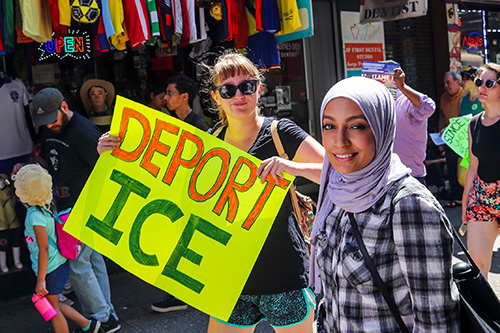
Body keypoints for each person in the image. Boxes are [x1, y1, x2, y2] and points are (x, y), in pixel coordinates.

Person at [98, 52, 325, 332]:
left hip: (283, 275)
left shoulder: (282, 133)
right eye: (228, 90)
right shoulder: (212, 142)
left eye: (247, 86)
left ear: (259, 89)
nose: (239, 95)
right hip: (228, 281)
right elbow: (173, 189)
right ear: (216, 97)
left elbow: (335, 171)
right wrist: (115, 153)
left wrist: (290, 166)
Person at [310, 77, 460, 332]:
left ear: (381, 127)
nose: (339, 141)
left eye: (356, 126)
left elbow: (436, 323)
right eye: (329, 126)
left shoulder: (408, 206)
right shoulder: (337, 190)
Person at [13, 88, 121, 333]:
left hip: (82, 206)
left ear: (63, 107)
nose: (49, 125)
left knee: (78, 263)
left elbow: (106, 172)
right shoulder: (50, 129)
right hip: (65, 207)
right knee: (91, 261)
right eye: (43, 122)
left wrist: (103, 153)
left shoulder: (83, 132)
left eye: (52, 119)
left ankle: (102, 317)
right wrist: (29, 168)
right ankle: (107, 315)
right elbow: (49, 160)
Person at [14, 164, 103, 333]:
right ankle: (89, 325)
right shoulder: (46, 208)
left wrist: (41, 280)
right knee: (52, 305)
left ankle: (89, 326)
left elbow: (44, 249)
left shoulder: (35, 216)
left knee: (53, 312)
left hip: (50, 269)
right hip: (56, 265)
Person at [462, 63, 500, 280]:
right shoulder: (474, 124)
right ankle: (485, 314)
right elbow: (473, 165)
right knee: (475, 264)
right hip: (481, 197)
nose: (482, 88)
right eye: (479, 83)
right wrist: (466, 200)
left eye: (489, 83)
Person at [393, 67, 436, 185]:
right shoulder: (376, 104)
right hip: (382, 178)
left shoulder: (406, 100)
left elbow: (428, 107)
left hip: (410, 176)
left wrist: (402, 86)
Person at [440, 71, 466, 208]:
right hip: (448, 139)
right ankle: (457, 197)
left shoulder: (465, 97)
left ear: (458, 82)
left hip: (462, 139)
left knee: (462, 168)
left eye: (448, 82)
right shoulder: (443, 98)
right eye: (444, 83)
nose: (445, 86)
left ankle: (466, 196)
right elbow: (442, 118)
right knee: (451, 168)